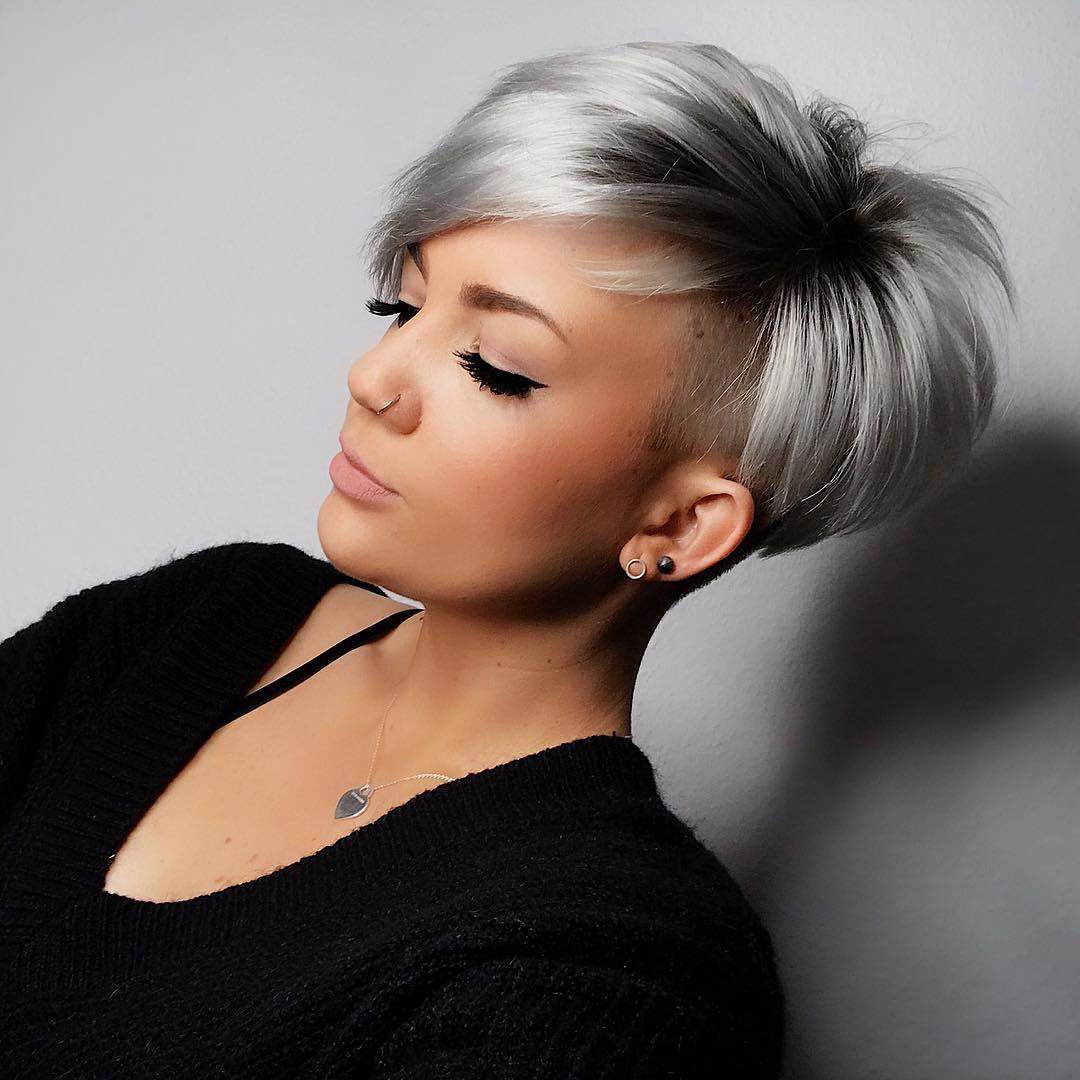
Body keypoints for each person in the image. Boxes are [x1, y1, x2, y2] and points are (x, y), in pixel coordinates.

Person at [0, 39, 1013, 1080]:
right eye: (402, 306)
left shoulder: (608, 976)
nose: (374, 376)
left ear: (679, 526)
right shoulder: (193, 622)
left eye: (495, 366)